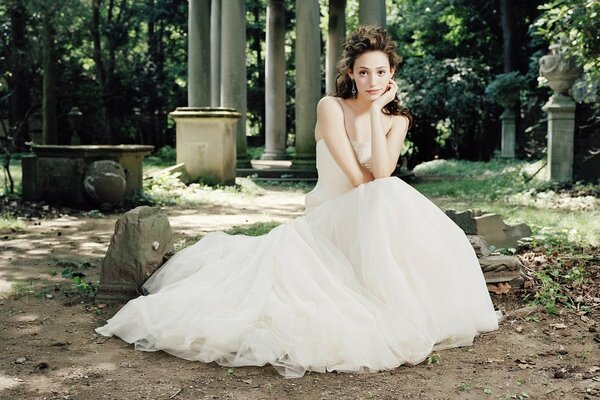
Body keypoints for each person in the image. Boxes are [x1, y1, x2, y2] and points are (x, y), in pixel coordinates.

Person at [96, 26, 501, 379]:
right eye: (364, 73)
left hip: (372, 217)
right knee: (387, 190)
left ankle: (405, 298)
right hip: (329, 220)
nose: (372, 81)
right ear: (350, 74)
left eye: (381, 72)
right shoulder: (331, 107)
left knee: (390, 191)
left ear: (392, 73)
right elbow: (366, 179)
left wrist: (379, 113)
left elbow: (382, 171)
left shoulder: (397, 119)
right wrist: (374, 115)